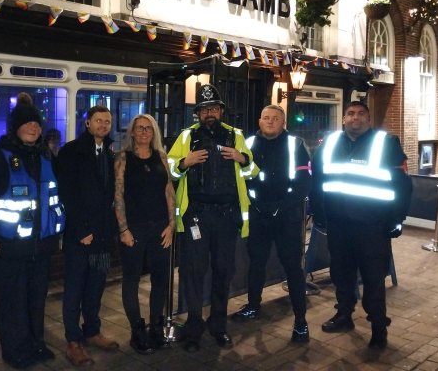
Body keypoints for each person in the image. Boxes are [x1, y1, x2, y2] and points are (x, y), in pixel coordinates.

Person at [309, 101, 412, 349]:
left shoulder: (386, 143)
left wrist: (397, 218)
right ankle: (344, 315)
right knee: (341, 274)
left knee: (373, 278)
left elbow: (403, 185)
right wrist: (319, 214)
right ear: (344, 118)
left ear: (368, 119)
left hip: (373, 226)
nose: (355, 117)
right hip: (339, 225)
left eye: (361, 114)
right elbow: (317, 181)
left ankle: (378, 326)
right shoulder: (330, 143)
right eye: (350, 113)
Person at [167, 84, 257, 352]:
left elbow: (252, 171)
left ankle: (219, 325)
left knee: (223, 271)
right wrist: (184, 162)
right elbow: (169, 168)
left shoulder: (235, 136)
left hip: (227, 217)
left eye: (214, 108)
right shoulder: (186, 137)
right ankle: (193, 327)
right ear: (198, 113)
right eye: (204, 109)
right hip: (197, 216)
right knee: (193, 273)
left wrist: (242, 159)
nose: (210, 113)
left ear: (221, 111)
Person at [0, 93, 65, 369]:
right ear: (15, 127)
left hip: (41, 245)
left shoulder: (46, 155)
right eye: (27, 124)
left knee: (36, 299)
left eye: (37, 124)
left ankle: (36, 344)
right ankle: (15, 350)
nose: (33, 128)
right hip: (10, 245)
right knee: (12, 301)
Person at [231, 105, 311, 343]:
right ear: (259, 120)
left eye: (275, 118)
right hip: (258, 214)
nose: (270, 121)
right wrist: (254, 204)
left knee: (293, 268)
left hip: (287, 216)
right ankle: (253, 306)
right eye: (266, 117)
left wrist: (282, 206)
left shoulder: (295, 145)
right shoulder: (248, 143)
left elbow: (304, 182)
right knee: (256, 263)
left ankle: (301, 322)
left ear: (283, 122)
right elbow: (239, 176)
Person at [55, 105, 119, 367]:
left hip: (103, 237)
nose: (103, 125)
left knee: (96, 285)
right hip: (80, 236)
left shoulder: (110, 152)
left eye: (107, 121)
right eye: (98, 121)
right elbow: (67, 193)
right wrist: (82, 230)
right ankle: (73, 341)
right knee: (74, 289)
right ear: (87, 123)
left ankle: (92, 331)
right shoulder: (71, 151)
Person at [114, 114, 175, 355]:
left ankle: (156, 327)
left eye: (148, 128)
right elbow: (118, 195)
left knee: (161, 278)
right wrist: (123, 229)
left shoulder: (161, 156)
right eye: (139, 128)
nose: (143, 132)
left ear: (154, 132)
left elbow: (168, 190)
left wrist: (172, 224)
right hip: (134, 228)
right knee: (131, 279)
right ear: (132, 132)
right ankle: (137, 331)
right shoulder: (123, 158)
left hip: (160, 226)